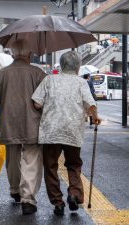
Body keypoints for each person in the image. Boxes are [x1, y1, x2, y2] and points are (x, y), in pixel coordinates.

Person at [32, 51, 101, 216]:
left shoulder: (49, 80)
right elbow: (90, 104)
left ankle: (57, 203)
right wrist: (95, 117)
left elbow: (36, 104)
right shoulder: (81, 83)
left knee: (50, 167)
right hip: (72, 130)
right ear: (77, 67)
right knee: (73, 164)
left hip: (50, 131)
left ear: (61, 66)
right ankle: (75, 194)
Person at [0, 39, 46, 215]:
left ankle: (15, 190)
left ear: (13, 54)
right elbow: (45, 100)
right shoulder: (38, 73)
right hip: (33, 123)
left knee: (12, 158)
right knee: (31, 159)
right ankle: (27, 198)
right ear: (29, 54)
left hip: (9, 122)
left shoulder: (3, 73)